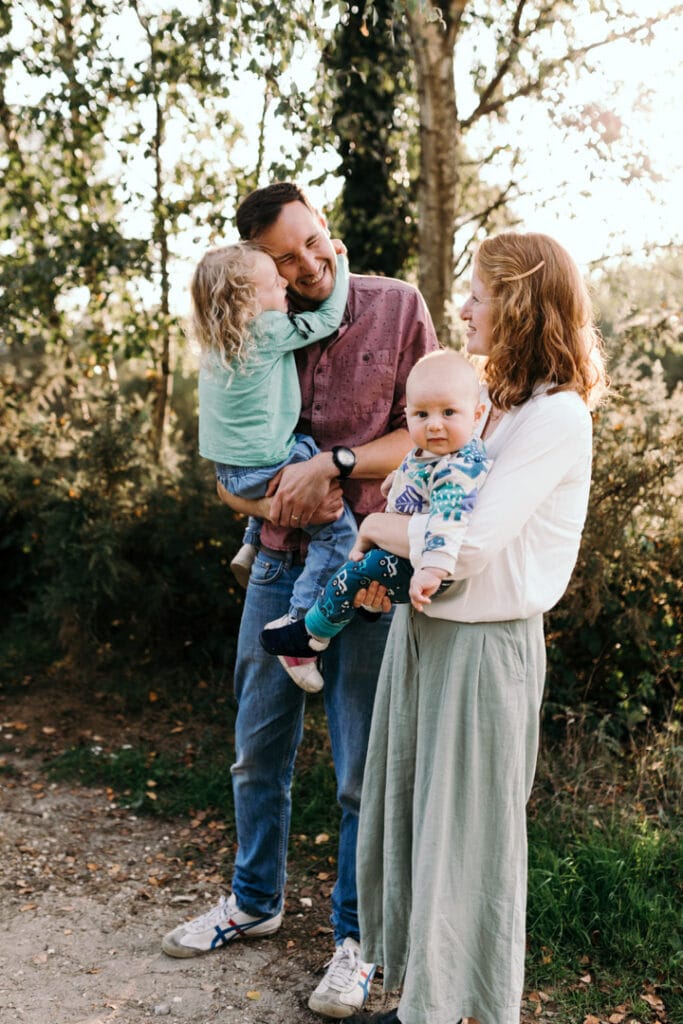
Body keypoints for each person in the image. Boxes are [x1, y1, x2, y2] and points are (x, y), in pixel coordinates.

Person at [162, 181, 439, 1020]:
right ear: (261, 267)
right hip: (280, 565)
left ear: (331, 233)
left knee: (358, 771)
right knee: (256, 750)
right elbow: (230, 478)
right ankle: (253, 902)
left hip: (364, 573)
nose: (310, 264)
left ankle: (354, 944)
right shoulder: (249, 321)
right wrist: (264, 504)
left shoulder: (397, 307)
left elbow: (427, 431)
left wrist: (336, 466)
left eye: (316, 243)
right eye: (287, 257)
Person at [346, 231, 608, 1024]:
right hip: (422, 636)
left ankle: (450, 1009)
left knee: (463, 842)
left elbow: (467, 547)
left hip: (484, 649)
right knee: (414, 825)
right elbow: (428, 509)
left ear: (523, 303)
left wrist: (369, 533)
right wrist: (391, 547)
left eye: (480, 294)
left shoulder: (555, 417)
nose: (463, 307)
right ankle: (419, 1001)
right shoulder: (493, 405)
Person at [193, 242, 358, 693]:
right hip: (265, 467)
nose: (285, 282)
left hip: (232, 471)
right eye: (274, 281)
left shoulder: (215, 343)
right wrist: (340, 262)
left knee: (301, 443)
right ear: (247, 300)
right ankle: (300, 632)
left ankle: (250, 543)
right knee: (341, 534)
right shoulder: (265, 329)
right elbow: (327, 319)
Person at [259, 350, 491, 662]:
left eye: (448, 412)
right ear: (408, 415)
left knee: (348, 575)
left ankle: (312, 634)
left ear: (476, 415)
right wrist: (396, 482)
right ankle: (366, 604)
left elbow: (449, 519)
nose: (434, 425)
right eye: (422, 415)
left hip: (427, 565)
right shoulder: (436, 452)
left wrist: (432, 569)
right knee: (360, 575)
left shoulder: (457, 469)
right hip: (405, 553)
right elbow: (416, 478)